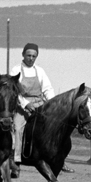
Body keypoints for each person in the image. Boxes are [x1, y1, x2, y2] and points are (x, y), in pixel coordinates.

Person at [10, 43, 55, 173]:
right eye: (28, 55)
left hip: (39, 104)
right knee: (18, 128)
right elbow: (15, 92)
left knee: (52, 126)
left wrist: (51, 103)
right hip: (22, 106)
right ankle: (16, 161)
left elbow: (47, 88)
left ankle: (55, 158)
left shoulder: (40, 71)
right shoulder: (16, 70)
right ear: (23, 55)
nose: (31, 58)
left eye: (34, 56)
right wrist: (25, 104)